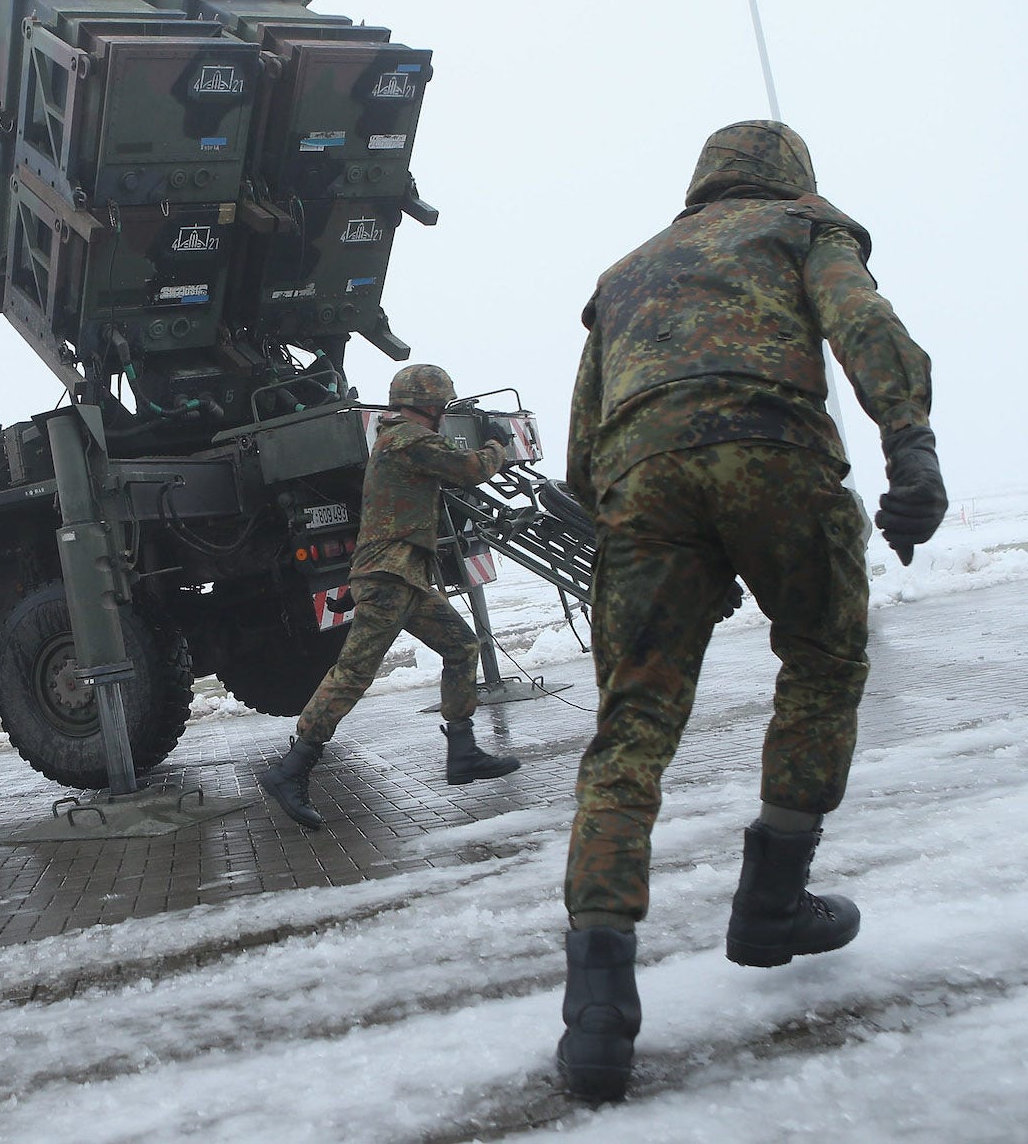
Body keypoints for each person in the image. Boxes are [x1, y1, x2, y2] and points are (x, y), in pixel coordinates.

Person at [554, 121, 946, 1101]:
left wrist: (662, 537)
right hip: (772, 451)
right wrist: (910, 446)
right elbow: (861, 325)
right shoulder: (799, 224)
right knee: (819, 661)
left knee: (627, 732)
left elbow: (576, 455)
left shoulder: (624, 276)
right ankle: (770, 902)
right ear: (787, 176)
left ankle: (596, 1013)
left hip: (639, 482)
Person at [259, 363, 523, 830]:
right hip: (389, 578)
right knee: (354, 674)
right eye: (442, 404)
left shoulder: (399, 439)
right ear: (430, 404)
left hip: (404, 577)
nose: (443, 413)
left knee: (462, 647)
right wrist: (498, 444)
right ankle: (290, 769)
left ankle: (462, 748)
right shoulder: (407, 440)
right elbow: (470, 469)